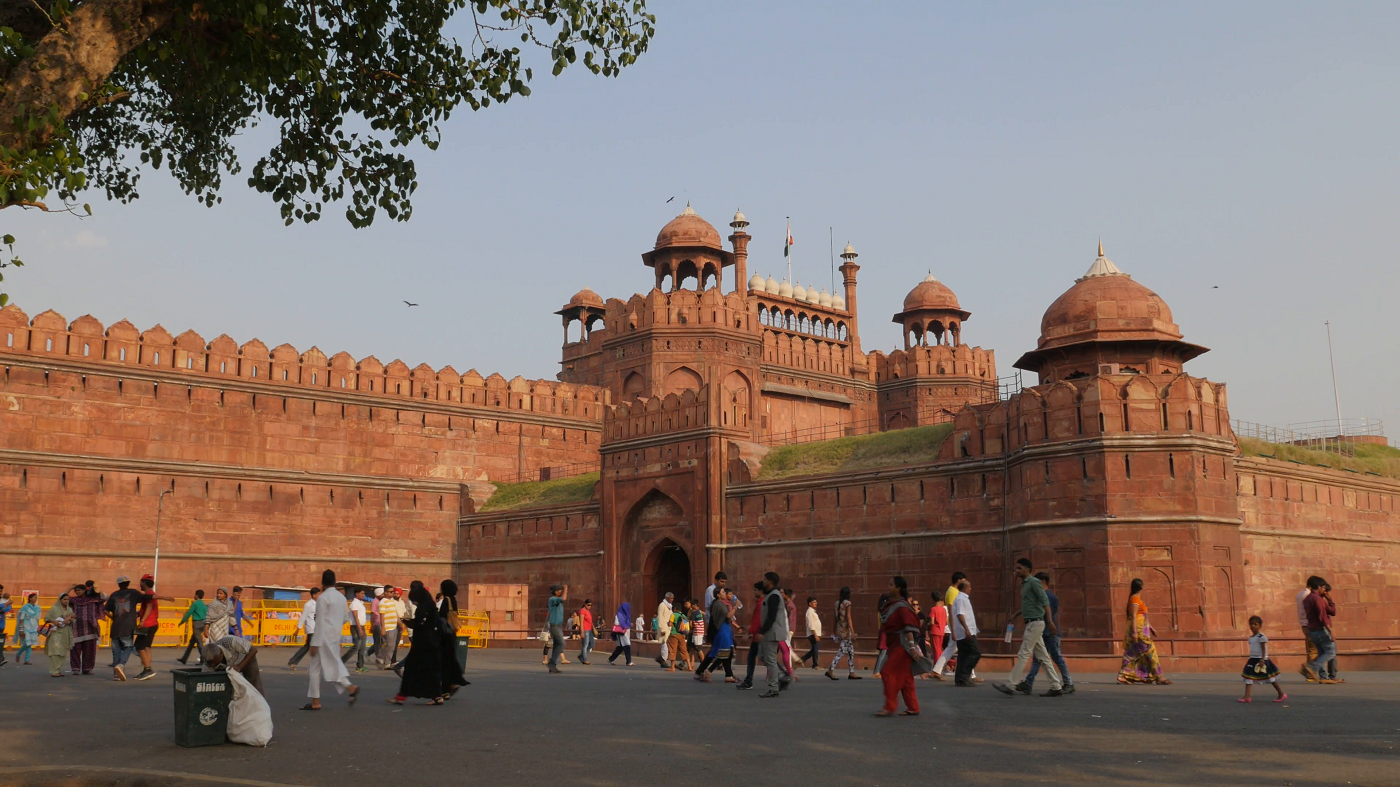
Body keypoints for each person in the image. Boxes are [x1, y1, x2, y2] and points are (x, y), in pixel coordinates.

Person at [994, 558, 1064, 698]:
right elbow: (1029, 605)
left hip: (1036, 623)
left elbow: (1045, 602)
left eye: (1019, 568)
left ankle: (1011, 684)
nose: (1017, 571)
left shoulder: (1034, 582)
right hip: (1032, 622)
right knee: (1043, 657)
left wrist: (1050, 621)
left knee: (1024, 653)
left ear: (1027, 569)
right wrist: (1016, 614)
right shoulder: (1025, 585)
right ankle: (1056, 686)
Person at [303, 569, 359, 710]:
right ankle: (349, 687)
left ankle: (316, 701)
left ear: (322, 583)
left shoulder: (322, 598)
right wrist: (334, 626)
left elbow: (320, 621)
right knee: (332, 664)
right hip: (335, 636)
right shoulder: (341, 597)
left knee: (316, 669)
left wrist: (314, 643)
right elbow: (345, 618)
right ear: (335, 582)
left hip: (322, 637)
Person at [875, 577, 925, 717]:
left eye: (891, 585)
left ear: (898, 588)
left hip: (902, 644)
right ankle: (913, 707)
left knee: (887, 672)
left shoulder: (902, 606)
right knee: (906, 677)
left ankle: (889, 706)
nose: (888, 586)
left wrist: (911, 646)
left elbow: (908, 627)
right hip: (894, 644)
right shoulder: (894, 604)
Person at [389, 583, 444, 705]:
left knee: (410, 670)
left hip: (422, 644)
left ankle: (401, 697)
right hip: (433, 643)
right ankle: (437, 696)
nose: (413, 602)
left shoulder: (423, 608)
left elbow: (418, 624)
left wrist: (405, 621)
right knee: (431, 670)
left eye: (414, 600)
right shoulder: (431, 606)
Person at [1023, 572, 1074, 694]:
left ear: (1043, 582)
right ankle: (1028, 683)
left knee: (1057, 658)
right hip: (1044, 631)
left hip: (1050, 632)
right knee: (1038, 658)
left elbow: (1046, 613)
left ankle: (1068, 683)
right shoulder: (1044, 595)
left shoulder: (1049, 597)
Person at [1117, 577, 1172, 685]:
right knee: (1149, 652)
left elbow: (1141, 616)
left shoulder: (1135, 598)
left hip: (1141, 629)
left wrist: (1151, 628)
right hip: (1139, 631)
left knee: (1134, 653)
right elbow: (1133, 616)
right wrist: (1134, 632)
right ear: (1141, 587)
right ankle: (1158, 677)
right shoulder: (1135, 599)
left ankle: (1124, 675)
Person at [132, 575, 174, 681]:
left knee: (139, 646)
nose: (139, 584)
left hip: (147, 624)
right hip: (153, 624)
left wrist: (142, 621)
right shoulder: (151, 594)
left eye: (141, 582)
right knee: (146, 647)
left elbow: (149, 607)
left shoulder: (149, 594)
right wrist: (139, 614)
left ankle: (147, 669)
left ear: (144, 583)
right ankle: (147, 669)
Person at [103, 575, 145, 681]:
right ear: (128, 583)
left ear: (119, 584)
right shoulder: (133, 593)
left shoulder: (113, 595)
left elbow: (105, 611)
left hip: (116, 626)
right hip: (127, 626)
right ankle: (121, 665)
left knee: (116, 651)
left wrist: (114, 618)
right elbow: (146, 599)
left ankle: (116, 675)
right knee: (128, 647)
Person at [1301, 577, 1340, 685]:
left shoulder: (1308, 598)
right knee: (1330, 652)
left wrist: (1329, 600)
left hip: (1312, 630)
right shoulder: (1317, 599)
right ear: (1318, 587)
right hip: (1321, 629)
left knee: (1322, 652)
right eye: (1323, 588)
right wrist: (1330, 630)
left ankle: (1323, 676)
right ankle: (1312, 667)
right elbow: (1322, 616)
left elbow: (1332, 612)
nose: (1325, 590)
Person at [1239, 615, 1286, 703]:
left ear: (1260, 626)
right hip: (1252, 659)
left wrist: (1262, 660)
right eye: (1251, 624)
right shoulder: (1251, 638)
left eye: (1255, 624)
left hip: (1262, 660)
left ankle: (1281, 694)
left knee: (1271, 678)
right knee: (1248, 677)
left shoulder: (1261, 637)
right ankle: (1247, 696)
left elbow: (1264, 649)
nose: (1253, 626)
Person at [930, 572, 967, 679]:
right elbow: (951, 611)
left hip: (956, 624)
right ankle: (969, 673)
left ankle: (937, 670)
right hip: (956, 624)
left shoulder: (956, 592)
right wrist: (954, 627)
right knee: (965, 647)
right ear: (959, 580)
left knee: (953, 648)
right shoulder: (952, 592)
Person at [695, 587, 737, 682]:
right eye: (723, 592)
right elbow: (728, 616)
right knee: (723, 653)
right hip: (722, 631)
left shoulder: (721, 604)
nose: (724, 594)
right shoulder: (719, 604)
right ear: (718, 595)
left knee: (724, 653)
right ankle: (708, 671)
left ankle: (728, 675)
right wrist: (736, 606)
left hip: (725, 630)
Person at [437, 580, 468, 698]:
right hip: (451, 633)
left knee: (443, 661)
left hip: (445, 634)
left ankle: (448, 686)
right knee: (448, 659)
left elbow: (442, 617)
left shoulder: (446, 600)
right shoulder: (453, 600)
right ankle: (447, 688)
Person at [68, 584, 104, 675]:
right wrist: (70, 588)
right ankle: (75, 668)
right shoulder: (74, 600)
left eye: (79, 590)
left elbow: (105, 597)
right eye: (76, 591)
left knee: (89, 650)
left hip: (91, 628)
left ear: (84, 590)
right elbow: (62, 598)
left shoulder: (93, 599)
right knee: (75, 650)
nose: (77, 592)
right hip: (77, 628)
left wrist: (96, 589)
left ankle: (87, 669)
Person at [826, 586, 860, 680]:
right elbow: (848, 618)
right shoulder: (847, 603)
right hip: (845, 630)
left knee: (850, 651)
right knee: (841, 651)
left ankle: (852, 671)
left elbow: (834, 618)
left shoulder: (837, 603)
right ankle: (831, 669)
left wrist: (833, 630)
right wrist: (852, 632)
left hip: (839, 629)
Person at [951, 579, 981, 687]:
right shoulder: (961, 599)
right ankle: (964, 676)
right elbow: (960, 614)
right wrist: (967, 629)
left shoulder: (961, 598)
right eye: (969, 587)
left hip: (963, 632)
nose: (971, 589)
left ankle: (959, 679)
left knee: (963, 655)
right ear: (965, 588)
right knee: (975, 653)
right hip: (965, 632)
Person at [736, 583, 765, 690]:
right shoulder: (762, 603)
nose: (754, 592)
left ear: (761, 591)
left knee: (764, 658)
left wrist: (749, 633)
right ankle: (748, 680)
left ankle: (783, 674)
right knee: (758, 658)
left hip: (758, 635)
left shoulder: (760, 604)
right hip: (758, 634)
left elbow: (757, 622)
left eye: (755, 590)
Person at [287, 587, 320, 670]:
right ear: (314, 595)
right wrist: (298, 629)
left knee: (308, 646)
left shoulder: (319, 604)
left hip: (317, 628)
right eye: (318, 594)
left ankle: (293, 661)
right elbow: (303, 617)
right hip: (311, 628)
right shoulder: (308, 605)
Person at [43, 593, 75, 677]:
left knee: (63, 653)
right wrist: (54, 622)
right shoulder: (54, 609)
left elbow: (74, 620)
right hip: (56, 633)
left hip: (66, 633)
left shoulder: (70, 610)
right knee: (55, 653)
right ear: (60, 600)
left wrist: (68, 619)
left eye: (68, 599)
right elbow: (46, 618)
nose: (66, 601)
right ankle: (54, 671)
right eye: (64, 599)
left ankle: (59, 669)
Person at [1296, 576, 1321, 682]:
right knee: (1314, 649)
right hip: (1310, 623)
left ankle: (1309, 672)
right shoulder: (1308, 595)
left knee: (1311, 648)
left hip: (1303, 624)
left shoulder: (1299, 594)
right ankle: (1309, 669)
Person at [177, 589, 209, 665]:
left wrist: (181, 622)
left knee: (199, 643)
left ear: (197, 595)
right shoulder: (203, 604)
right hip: (203, 623)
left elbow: (188, 613)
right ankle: (184, 658)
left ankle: (203, 660)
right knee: (192, 643)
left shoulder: (195, 604)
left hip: (197, 624)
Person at [342, 588, 369, 672]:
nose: (363, 595)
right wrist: (359, 629)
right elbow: (355, 616)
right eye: (361, 593)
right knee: (356, 646)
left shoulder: (361, 603)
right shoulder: (354, 604)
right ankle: (341, 662)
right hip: (356, 626)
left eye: (364, 593)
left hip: (362, 626)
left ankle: (360, 666)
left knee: (362, 647)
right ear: (356, 594)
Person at [922, 596, 947, 680]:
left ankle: (936, 670)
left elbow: (932, 622)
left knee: (935, 651)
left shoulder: (933, 609)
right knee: (940, 650)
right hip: (942, 631)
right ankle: (940, 668)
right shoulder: (943, 609)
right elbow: (946, 622)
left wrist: (928, 625)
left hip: (935, 631)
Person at [665, 600, 692, 671]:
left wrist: (668, 623)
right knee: (684, 651)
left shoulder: (673, 615)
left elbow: (670, 624)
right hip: (682, 635)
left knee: (672, 650)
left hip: (674, 634)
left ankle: (672, 667)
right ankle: (689, 666)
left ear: (675, 609)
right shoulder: (683, 616)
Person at [546, 584, 567, 674]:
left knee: (557, 645)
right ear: (555, 592)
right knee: (561, 643)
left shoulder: (556, 600)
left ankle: (552, 665)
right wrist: (566, 589)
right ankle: (551, 662)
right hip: (554, 625)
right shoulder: (553, 599)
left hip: (558, 625)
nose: (560, 592)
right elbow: (564, 598)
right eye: (559, 591)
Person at [16, 593, 40, 665]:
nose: (35, 599)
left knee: (29, 643)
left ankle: (18, 653)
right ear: (30, 598)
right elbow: (21, 619)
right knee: (28, 644)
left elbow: (37, 619)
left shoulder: (38, 608)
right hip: (26, 627)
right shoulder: (25, 607)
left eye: (36, 598)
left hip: (34, 627)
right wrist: (21, 629)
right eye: (34, 597)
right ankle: (26, 659)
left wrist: (38, 628)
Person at [607, 601, 634, 666]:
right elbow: (616, 623)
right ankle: (628, 661)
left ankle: (611, 659)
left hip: (625, 633)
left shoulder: (627, 615)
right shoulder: (619, 615)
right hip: (621, 633)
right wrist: (625, 624)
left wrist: (629, 624)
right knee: (627, 645)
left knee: (621, 647)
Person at [654, 592, 674, 667]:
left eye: (672, 598)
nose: (672, 600)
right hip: (663, 627)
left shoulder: (669, 606)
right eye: (671, 598)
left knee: (666, 644)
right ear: (667, 598)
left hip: (668, 627)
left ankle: (662, 659)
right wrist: (662, 629)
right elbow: (660, 618)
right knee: (664, 644)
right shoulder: (662, 605)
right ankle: (663, 660)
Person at [802, 596, 822, 668]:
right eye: (814, 602)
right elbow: (811, 624)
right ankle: (815, 664)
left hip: (815, 633)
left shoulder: (813, 612)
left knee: (814, 649)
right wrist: (815, 635)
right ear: (810, 603)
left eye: (816, 602)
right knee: (815, 650)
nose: (816, 604)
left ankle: (803, 660)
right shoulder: (810, 612)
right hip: (813, 634)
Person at [577, 599, 595, 665]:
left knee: (592, 644)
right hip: (585, 629)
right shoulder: (582, 611)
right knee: (585, 645)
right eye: (588, 605)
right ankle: (584, 659)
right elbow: (581, 622)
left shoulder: (588, 611)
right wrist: (582, 632)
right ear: (585, 604)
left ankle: (581, 655)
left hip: (589, 629)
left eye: (591, 605)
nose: (589, 606)